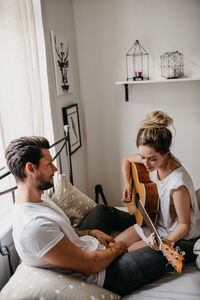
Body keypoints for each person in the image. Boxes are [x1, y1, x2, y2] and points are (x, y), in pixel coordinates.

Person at [6, 135, 168, 296]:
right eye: (49, 164)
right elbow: (90, 266)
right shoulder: (34, 226)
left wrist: (91, 233)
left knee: (103, 211)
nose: (55, 169)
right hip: (104, 275)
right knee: (166, 249)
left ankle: (154, 219)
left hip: (87, 246)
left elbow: (62, 230)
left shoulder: (38, 198)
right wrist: (119, 248)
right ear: (31, 168)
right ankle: (188, 243)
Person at [115, 110, 200, 262]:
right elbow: (126, 160)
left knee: (125, 254)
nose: (146, 164)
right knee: (115, 246)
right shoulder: (151, 162)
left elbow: (184, 224)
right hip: (154, 221)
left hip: (174, 233)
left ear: (166, 153)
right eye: (142, 157)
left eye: (152, 159)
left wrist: (167, 240)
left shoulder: (177, 185)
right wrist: (128, 184)